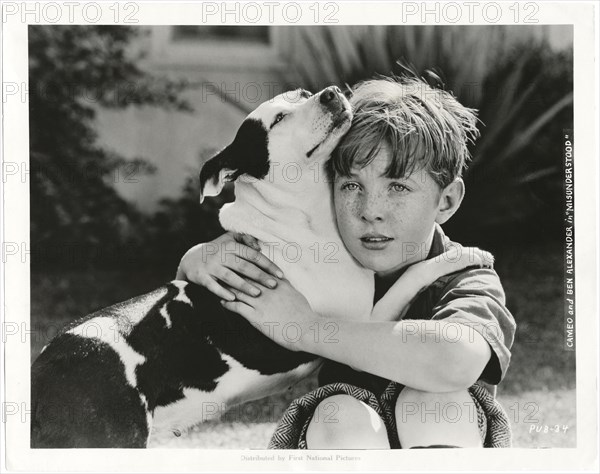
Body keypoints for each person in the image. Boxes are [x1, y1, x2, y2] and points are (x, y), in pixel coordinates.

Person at [176, 76, 516, 449]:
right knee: (341, 414)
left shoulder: (463, 272)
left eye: (398, 187)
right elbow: (206, 325)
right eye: (351, 186)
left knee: (432, 403)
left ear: (446, 201)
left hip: (446, 431)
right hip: (346, 431)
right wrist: (196, 261)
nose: (371, 212)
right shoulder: (314, 261)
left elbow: (454, 361)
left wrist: (306, 327)